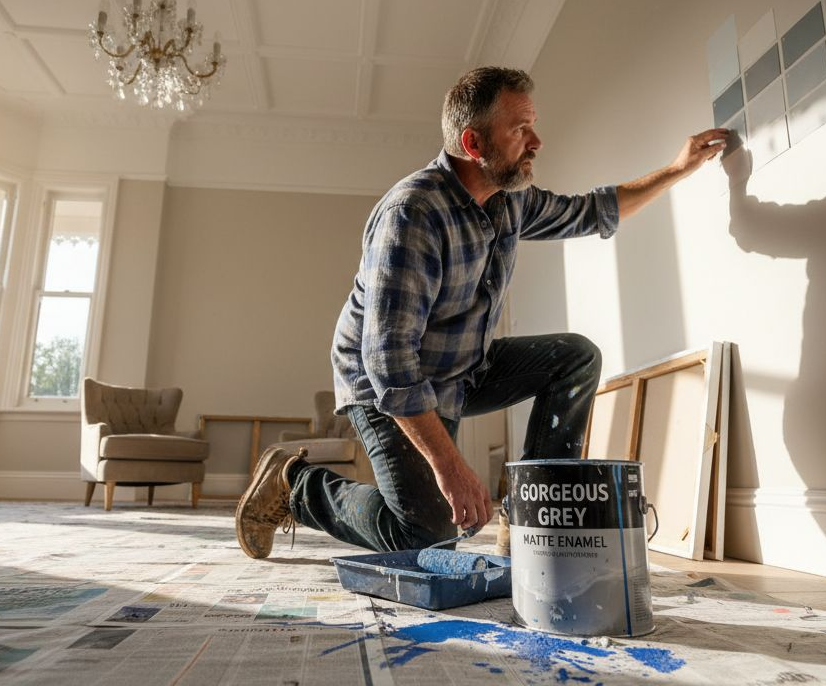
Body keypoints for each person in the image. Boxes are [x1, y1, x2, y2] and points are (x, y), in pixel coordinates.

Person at [235, 66, 727, 559]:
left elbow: (591, 211)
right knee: (428, 536)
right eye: (520, 129)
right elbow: (388, 361)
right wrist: (452, 468)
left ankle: (533, 518)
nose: (536, 141)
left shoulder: (509, 200)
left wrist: (678, 168)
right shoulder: (413, 215)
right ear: (474, 144)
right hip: (383, 378)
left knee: (574, 358)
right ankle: (294, 485)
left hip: (463, 366)